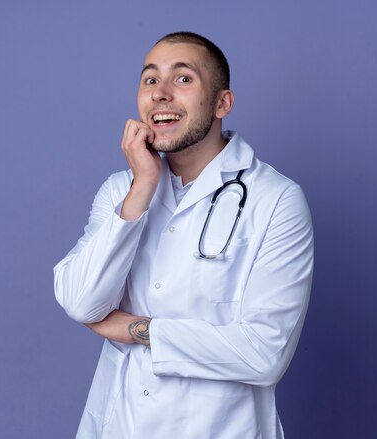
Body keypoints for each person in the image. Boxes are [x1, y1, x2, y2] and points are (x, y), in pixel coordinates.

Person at [54, 31, 314, 439]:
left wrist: (137, 329)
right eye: (150, 79)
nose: (160, 94)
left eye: (183, 79)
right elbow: (81, 301)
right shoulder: (122, 191)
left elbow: (264, 355)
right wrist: (142, 187)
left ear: (222, 103)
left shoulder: (275, 199)